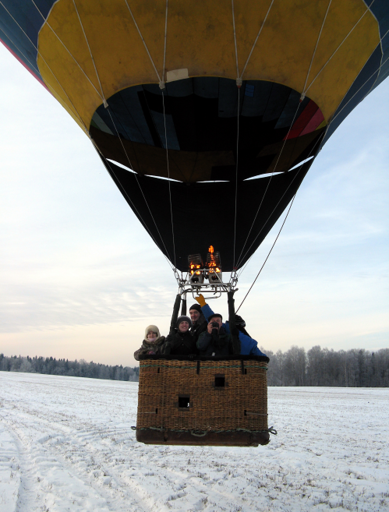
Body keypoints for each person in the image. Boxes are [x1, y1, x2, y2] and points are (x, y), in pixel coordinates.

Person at [195, 295, 267, 357]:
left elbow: (211, 319)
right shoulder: (248, 341)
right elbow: (261, 356)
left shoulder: (229, 330)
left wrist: (203, 304)